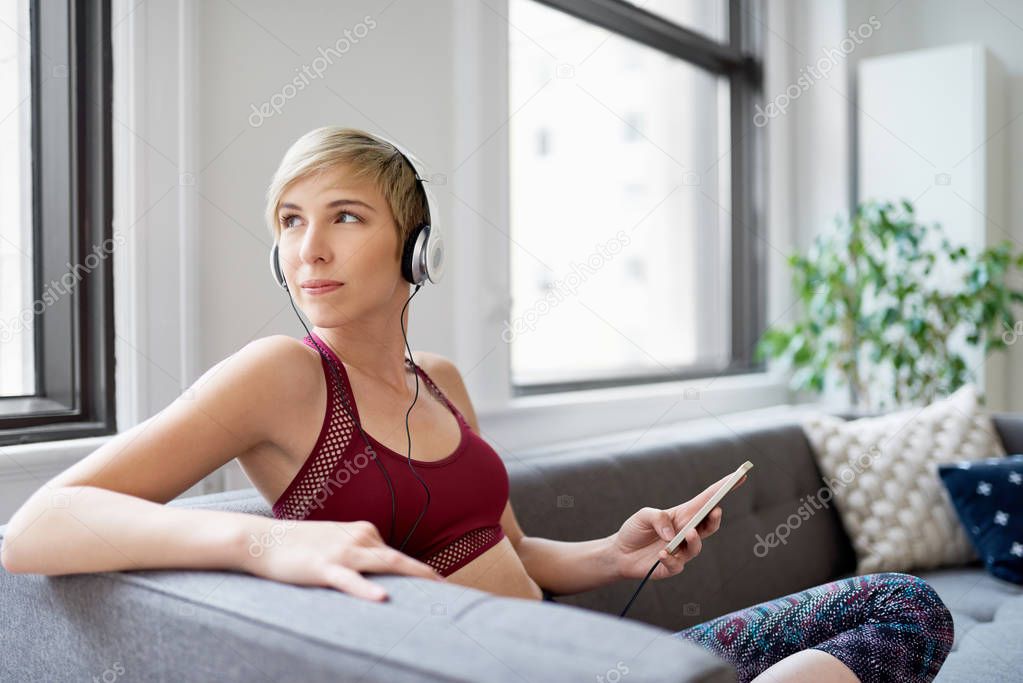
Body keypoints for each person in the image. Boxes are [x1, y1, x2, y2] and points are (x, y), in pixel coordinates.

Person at [1, 126, 953, 683]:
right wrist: (263, 540)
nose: (308, 249)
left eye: (345, 217)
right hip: (505, 670)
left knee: (905, 605)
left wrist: (614, 552)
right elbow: (37, 526)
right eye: (289, 222)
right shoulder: (279, 377)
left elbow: (501, 549)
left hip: (587, 649)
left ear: (418, 252)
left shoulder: (440, 381)